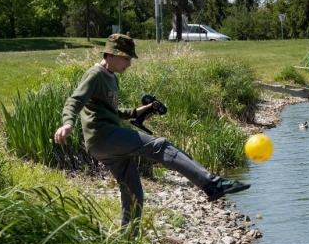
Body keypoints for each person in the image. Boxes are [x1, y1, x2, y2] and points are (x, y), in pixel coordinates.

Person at [53, 34, 250, 228]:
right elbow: (75, 101)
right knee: (160, 145)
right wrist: (68, 123)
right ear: (110, 54)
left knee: (134, 194)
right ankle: (211, 184)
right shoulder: (95, 74)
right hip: (104, 137)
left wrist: (136, 112)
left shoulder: (112, 78)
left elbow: (110, 111)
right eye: (126, 58)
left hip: (108, 142)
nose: (129, 63)